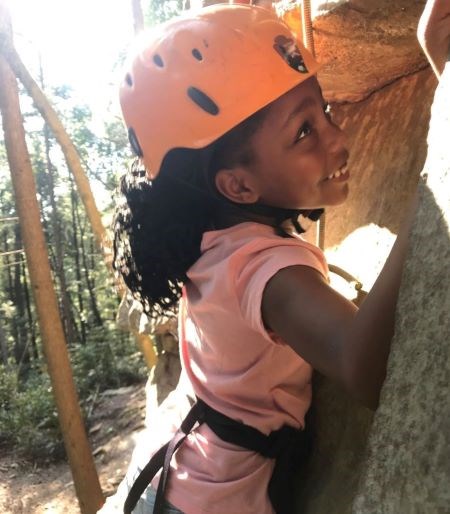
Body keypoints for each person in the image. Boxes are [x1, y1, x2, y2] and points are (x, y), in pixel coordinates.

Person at [103, 1, 450, 513]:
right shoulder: (263, 271)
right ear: (239, 184)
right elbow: (365, 367)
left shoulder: (217, 242)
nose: (337, 138)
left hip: (176, 473)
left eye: (324, 111)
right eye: (304, 131)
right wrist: (432, 191)